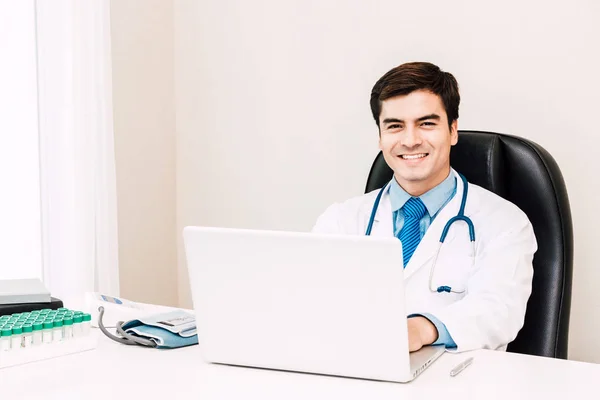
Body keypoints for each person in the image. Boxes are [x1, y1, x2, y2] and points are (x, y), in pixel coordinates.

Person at [312, 61, 537, 353]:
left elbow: (499, 312)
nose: (410, 140)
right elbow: (314, 305)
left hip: (460, 384)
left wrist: (422, 328)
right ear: (380, 137)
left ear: (453, 131)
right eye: (394, 126)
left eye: (426, 123)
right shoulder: (340, 221)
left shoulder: (504, 222)